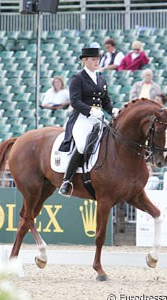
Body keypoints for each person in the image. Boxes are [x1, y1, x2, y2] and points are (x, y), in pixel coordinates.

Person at [58, 47, 119, 196]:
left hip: (98, 119)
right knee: (82, 145)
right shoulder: (77, 78)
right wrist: (90, 110)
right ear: (85, 60)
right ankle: (67, 181)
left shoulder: (101, 79)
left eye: (98, 60)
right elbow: (75, 101)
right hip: (82, 119)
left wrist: (113, 111)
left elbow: (106, 102)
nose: (96, 62)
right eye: (93, 59)